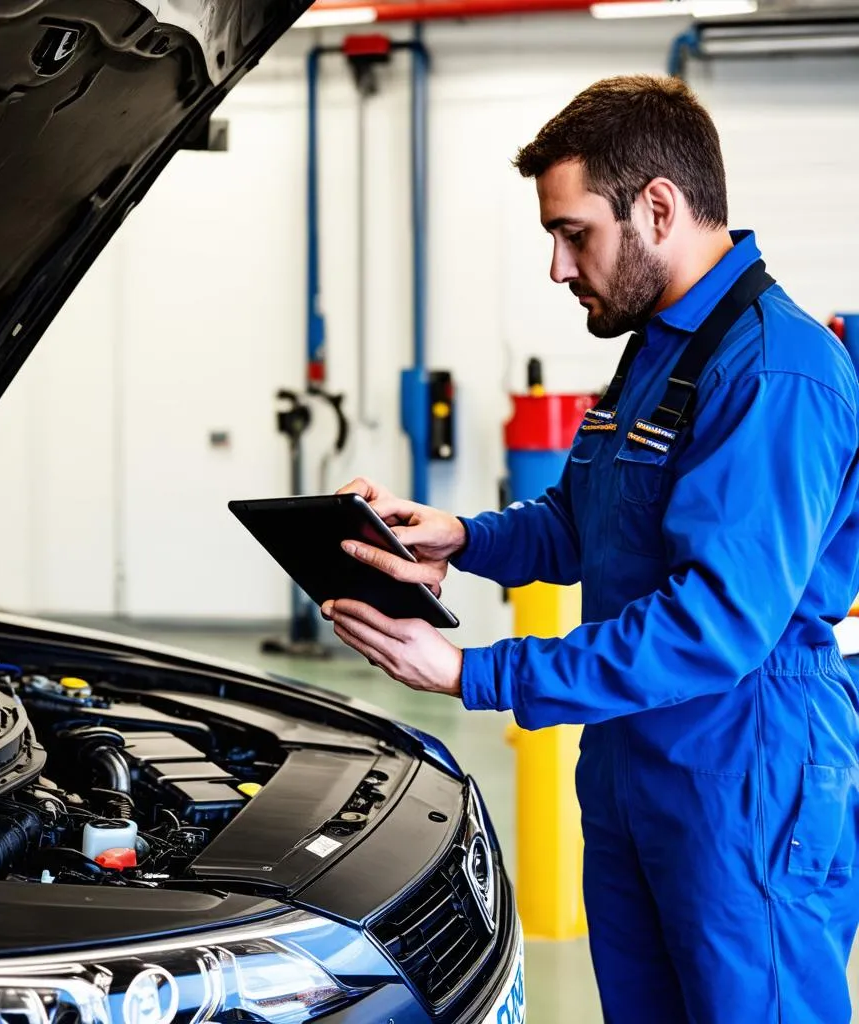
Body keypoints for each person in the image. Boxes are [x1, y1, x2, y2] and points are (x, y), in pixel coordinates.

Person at [321, 75, 859, 1024]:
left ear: (659, 206)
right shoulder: (656, 350)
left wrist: (473, 673)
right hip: (633, 763)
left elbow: (716, 625)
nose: (561, 268)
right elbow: (584, 521)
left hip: (747, 772)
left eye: (575, 233)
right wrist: (461, 537)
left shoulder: (776, 370)